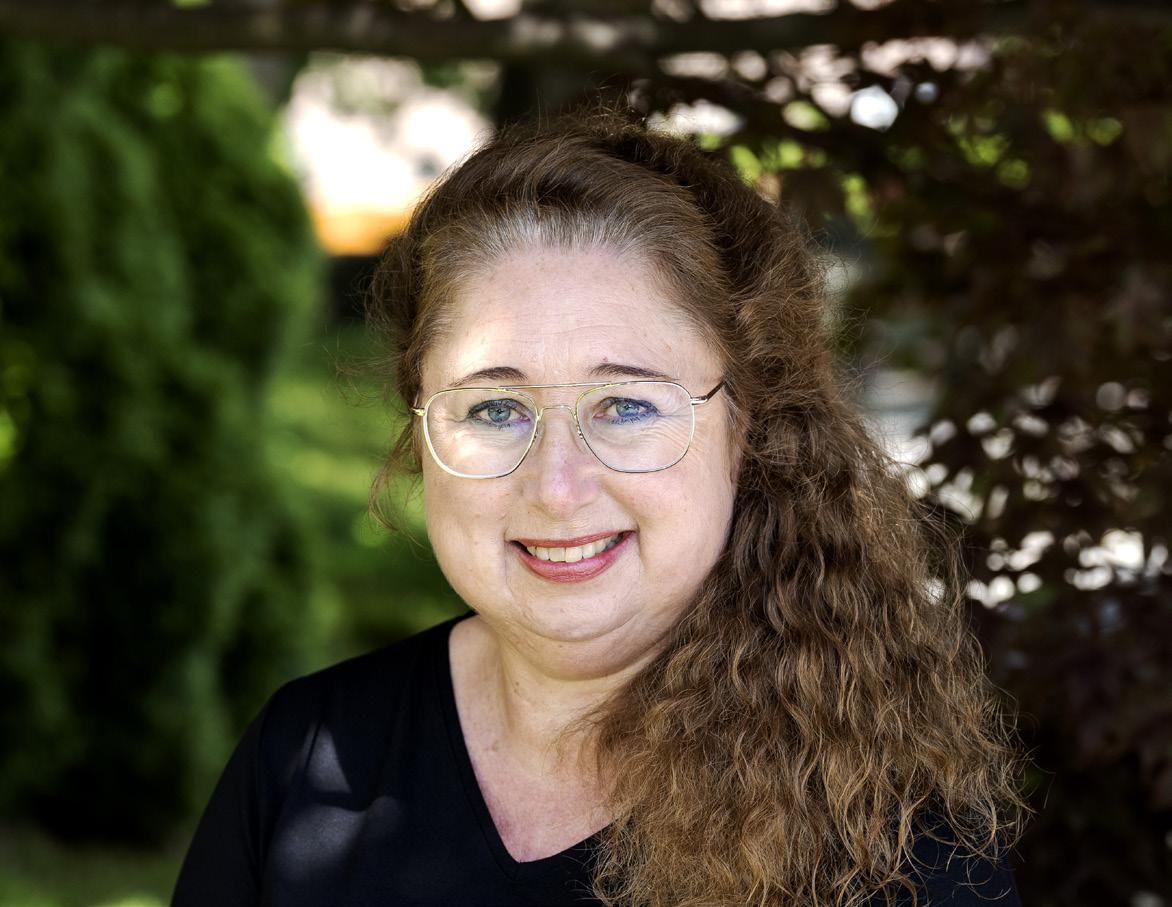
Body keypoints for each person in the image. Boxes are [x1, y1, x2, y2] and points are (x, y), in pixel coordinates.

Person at [172, 106, 1023, 906]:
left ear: (746, 430)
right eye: (494, 409)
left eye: (626, 405)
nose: (556, 486)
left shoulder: (893, 846)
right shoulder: (306, 756)